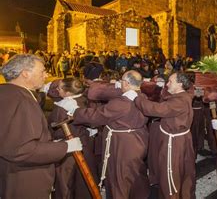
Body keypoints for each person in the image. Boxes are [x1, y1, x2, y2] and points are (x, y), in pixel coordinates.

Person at [0, 54, 82, 198]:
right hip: (25, 179)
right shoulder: (22, 99)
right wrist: (66, 147)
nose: (46, 74)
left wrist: (52, 144)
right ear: (25, 73)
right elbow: (21, 149)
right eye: (42, 71)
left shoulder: (7, 91)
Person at [68, 70, 150, 199]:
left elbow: (97, 115)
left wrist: (76, 111)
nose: (118, 83)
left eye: (121, 81)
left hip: (122, 145)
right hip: (138, 140)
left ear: (127, 83)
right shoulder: (142, 97)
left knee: (119, 177)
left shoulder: (121, 103)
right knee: (134, 173)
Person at [134, 72, 196, 198]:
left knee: (171, 175)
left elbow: (154, 109)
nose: (167, 84)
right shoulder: (183, 95)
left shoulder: (180, 101)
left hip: (173, 143)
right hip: (180, 139)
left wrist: (137, 96)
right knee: (183, 173)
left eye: (170, 82)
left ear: (179, 84)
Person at [48, 78, 98, 199]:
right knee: (83, 181)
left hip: (69, 149)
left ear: (68, 93)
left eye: (59, 88)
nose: (56, 90)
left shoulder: (63, 108)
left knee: (66, 181)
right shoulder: (84, 100)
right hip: (86, 144)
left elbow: (56, 130)